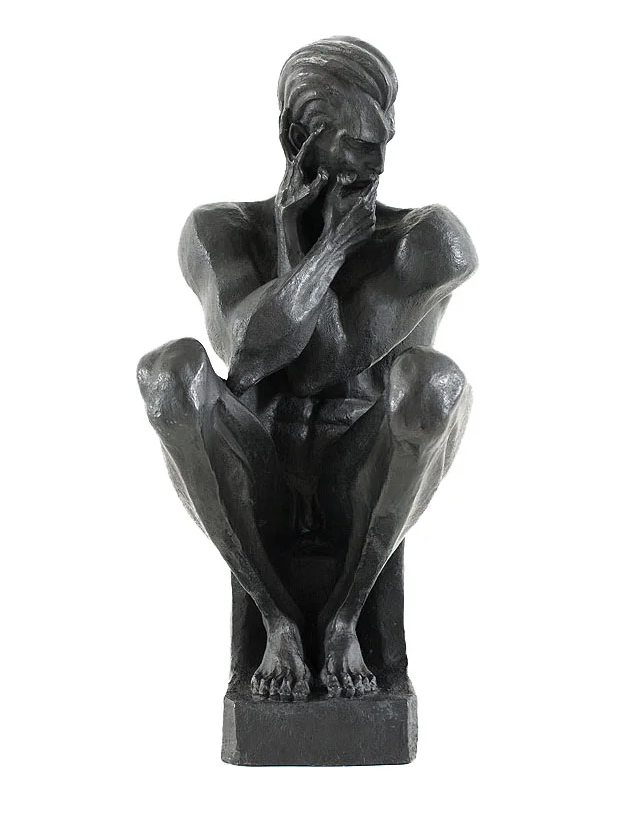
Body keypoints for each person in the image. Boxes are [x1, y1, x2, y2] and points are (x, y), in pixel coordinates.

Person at [137, 37, 477, 701]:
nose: (377, 161)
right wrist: (314, 250)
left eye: (384, 139)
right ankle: (276, 620)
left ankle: (347, 616)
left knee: (433, 383)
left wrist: (330, 245)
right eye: (356, 144)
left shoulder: (428, 242)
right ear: (297, 139)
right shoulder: (219, 231)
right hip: (258, 473)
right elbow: (248, 351)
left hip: (361, 477)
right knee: (168, 374)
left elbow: (321, 364)